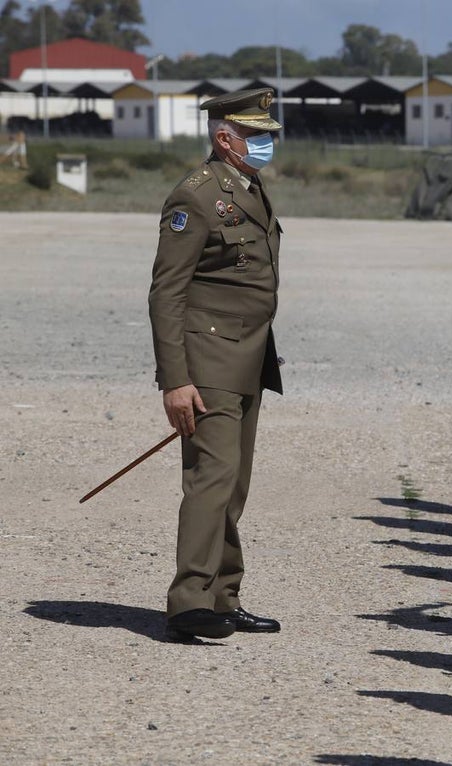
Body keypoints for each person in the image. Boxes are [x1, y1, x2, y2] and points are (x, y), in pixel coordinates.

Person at [148, 88, 285, 641]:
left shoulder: (248, 187)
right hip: (208, 361)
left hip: (248, 357)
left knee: (235, 484)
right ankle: (188, 601)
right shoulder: (197, 196)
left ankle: (224, 596)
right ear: (225, 138)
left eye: (269, 135)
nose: (266, 144)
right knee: (212, 479)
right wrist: (176, 380)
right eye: (257, 136)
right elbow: (166, 293)